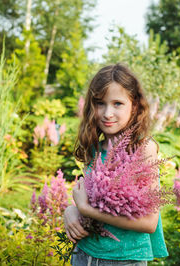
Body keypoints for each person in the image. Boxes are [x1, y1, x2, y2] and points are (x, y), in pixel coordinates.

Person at [64, 63, 168, 265]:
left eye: (117, 104)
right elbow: (89, 197)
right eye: (100, 103)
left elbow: (149, 223)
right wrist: (71, 210)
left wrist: (85, 209)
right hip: (84, 253)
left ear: (135, 106)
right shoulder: (94, 148)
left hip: (124, 259)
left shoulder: (143, 150)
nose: (107, 113)